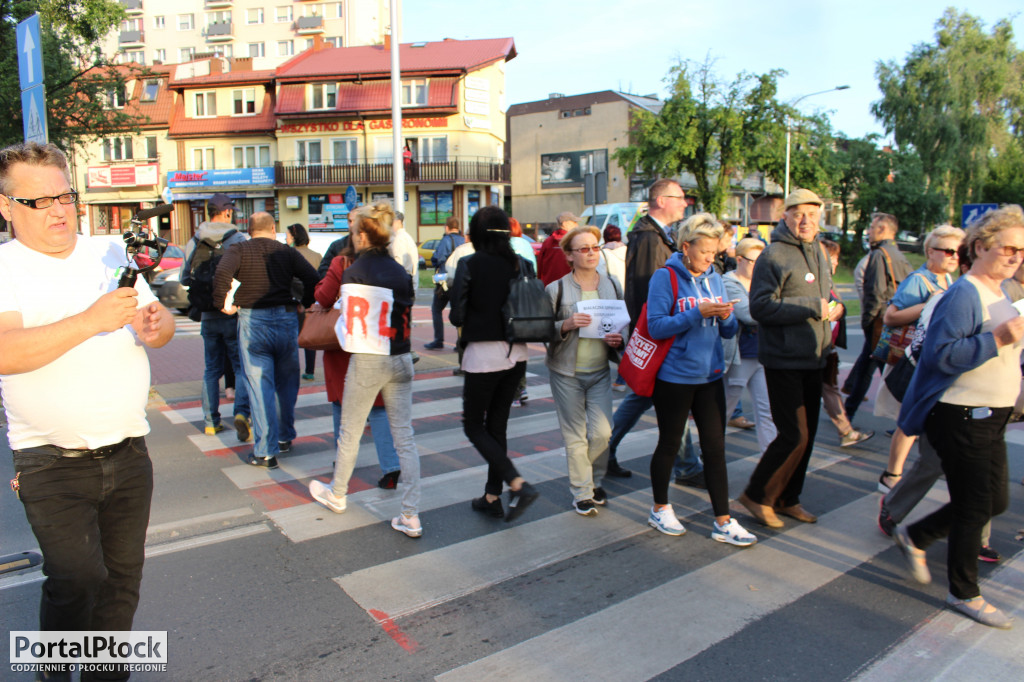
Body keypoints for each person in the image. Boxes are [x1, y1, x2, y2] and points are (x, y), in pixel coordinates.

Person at [0, 142, 174, 664]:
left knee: (122, 581)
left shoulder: (107, 251)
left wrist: (155, 323)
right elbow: (6, 353)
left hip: (128, 450)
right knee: (76, 577)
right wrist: (90, 321)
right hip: (49, 460)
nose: (58, 210)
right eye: (39, 201)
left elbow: (159, 328)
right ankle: (54, 667)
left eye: (65, 195)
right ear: (6, 207)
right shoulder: (6, 267)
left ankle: (105, 675)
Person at [891, 205, 1024, 629]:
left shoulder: (999, 291)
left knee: (994, 501)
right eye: (1009, 248)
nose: (1017, 256)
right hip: (960, 415)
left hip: (991, 416)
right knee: (974, 505)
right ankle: (964, 592)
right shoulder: (965, 293)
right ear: (981, 247)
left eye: (1022, 250)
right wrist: (999, 337)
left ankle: (917, 535)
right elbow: (942, 356)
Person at [308, 204, 423, 536]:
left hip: (368, 358)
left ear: (361, 235)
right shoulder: (400, 270)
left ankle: (338, 494)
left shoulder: (354, 271)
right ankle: (410, 514)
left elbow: (348, 326)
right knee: (405, 437)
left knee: (350, 431)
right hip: (400, 358)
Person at [645, 213, 756, 546]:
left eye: (715, 251)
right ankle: (660, 507)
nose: (711, 257)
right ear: (686, 246)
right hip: (674, 377)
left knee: (716, 447)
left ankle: (723, 520)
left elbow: (729, 330)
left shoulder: (716, 277)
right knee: (669, 442)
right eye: (705, 251)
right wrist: (698, 313)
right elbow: (656, 326)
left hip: (710, 374)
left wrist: (726, 318)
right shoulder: (665, 277)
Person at [740, 189, 833, 528]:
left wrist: (830, 309)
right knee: (793, 434)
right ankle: (756, 495)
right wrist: (811, 308)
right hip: (783, 359)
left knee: (806, 438)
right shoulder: (773, 255)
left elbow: (823, 296)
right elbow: (760, 307)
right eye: (798, 214)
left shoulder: (819, 252)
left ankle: (787, 498)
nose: (805, 220)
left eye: (812, 213)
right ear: (786, 216)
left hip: (814, 356)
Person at [449, 206, 540, 522]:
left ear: (475, 234)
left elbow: (457, 316)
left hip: (483, 353)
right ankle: (491, 496)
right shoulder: (523, 264)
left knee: (474, 425)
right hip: (518, 353)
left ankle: (516, 482)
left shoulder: (469, 264)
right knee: (497, 425)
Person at [607, 179, 699, 482]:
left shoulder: (657, 235)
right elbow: (649, 291)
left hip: (659, 333)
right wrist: (659, 329)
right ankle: (687, 466)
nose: (685, 203)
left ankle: (602, 452)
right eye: (680, 197)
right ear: (661, 200)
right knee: (671, 398)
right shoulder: (649, 238)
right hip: (659, 334)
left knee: (644, 396)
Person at [213, 212, 320, 468]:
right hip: (285, 320)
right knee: (286, 384)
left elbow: (221, 275)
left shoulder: (238, 249)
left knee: (260, 388)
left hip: (253, 323)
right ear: (273, 228)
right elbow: (313, 278)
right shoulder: (287, 252)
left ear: (249, 230)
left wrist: (223, 305)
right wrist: (303, 303)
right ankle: (284, 437)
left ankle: (265, 451)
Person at [314, 207, 403, 489]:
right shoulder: (391, 263)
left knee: (343, 406)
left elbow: (323, 296)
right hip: (377, 339)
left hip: (344, 342)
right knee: (377, 408)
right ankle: (391, 466)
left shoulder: (342, 263)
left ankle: (340, 473)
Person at [874, 225, 965, 492]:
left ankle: (919, 469)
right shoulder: (919, 280)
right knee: (909, 418)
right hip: (910, 358)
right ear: (929, 251)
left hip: (929, 358)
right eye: (947, 251)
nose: (953, 257)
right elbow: (890, 317)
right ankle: (892, 475)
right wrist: (929, 304)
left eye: (958, 252)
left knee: (923, 417)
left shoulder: (948, 279)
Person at [545, 225, 624, 515]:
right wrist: (565, 325)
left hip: (600, 369)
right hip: (566, 372)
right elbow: (543, 330)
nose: (591, 253)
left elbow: (622, 324)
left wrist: (619, 339)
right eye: (584, 249)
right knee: (575, 436)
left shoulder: (612, 284)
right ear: (569, 255)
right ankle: (582, 492)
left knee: (603, 432)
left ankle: (593, 479)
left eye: (595, 247)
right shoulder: (557, 288)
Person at [181, 192, 251, 439]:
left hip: (208, 316)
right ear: (228, 212)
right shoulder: (238, 239)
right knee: (240, 367)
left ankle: (211, 421)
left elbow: (183, 278)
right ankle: (242, 413)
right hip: (232, 314)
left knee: (211, 369)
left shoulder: (195, 239)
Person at [843, 212, 913, 419]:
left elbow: (874, 292)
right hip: (895, 319)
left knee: (888, 372)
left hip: (880, 322)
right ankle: (847, 414)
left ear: (882, 230)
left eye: (872, 228)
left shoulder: (879, 255)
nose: (869, 232)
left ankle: (908, 418)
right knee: (868, 366)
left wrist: (868, 321)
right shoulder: (899, 255)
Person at [721, 237, 777, 454]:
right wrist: (778, 309)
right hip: (740, 354)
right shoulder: (729, 283)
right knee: (726, 409)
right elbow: (748, 314)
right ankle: (708, 456)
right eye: (755, 261)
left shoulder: (764, 282)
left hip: (762, 352)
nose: (760, 266)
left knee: (767, 410)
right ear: (740, 259)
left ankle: (769, 459)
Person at [818, 239, 873, 448]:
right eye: (832, 259)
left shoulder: (828, 282)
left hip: (827, 347)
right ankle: (846, 431)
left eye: (836, 259)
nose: (836, 264)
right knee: (828, 388)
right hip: (818, 348)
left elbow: (838, 306)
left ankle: (846, 430)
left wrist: (840, 309)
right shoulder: (817, 282)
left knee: (829, 387)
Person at [287, 223, 323, 381]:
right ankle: (310, 370)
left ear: (294, 237)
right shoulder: (316, 256)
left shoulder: (287, 254)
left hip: (292, 302)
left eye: (287, 235)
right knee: (310, 337)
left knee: (291, 339)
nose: (285, 238)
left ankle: (292, 371)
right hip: (311, 302)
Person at [425, 216, 464, 350]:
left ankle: (438, 339)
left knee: (436, 309)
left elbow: (437, 258)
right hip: (458, 279)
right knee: (458, 309)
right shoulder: (463, 240)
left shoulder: (446, 240)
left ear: (446, 227)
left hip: (444, 280)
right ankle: (460, 342)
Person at [601, 225, 627, 391]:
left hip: (614, 301)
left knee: (613, 340)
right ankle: (623, 378)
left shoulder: (603, 254)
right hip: (631, 298)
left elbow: (601, 280)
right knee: (626, 339)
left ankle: (622, 379)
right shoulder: (630, 251)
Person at [537, 211, 578, 285]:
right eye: (574, 222)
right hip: (570, 285)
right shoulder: (574, 241)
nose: (577, 225)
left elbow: (540, 266)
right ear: (565, 223)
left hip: (549, 285)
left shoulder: (548, 241)